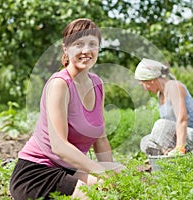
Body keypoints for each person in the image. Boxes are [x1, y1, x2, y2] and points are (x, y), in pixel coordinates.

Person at [9, 18, 124, 200]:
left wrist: (111, 172)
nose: (86, 51)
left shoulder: (97, 84)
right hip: (37, 174)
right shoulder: (60, 84)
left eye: (92, 44)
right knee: (97, 192)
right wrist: (102, 173)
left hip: (67, 170)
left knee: (122, 177)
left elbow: (100, 138)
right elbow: (59, 146)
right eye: (79, 44)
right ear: (66, 49)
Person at [135, 58, 193, 157]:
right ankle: (165, 160)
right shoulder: (160, 94)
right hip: (180, 137)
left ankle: (175, 156)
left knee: (161, 125)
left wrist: (180, 147)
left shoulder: (173, 87)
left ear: (151, 80)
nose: (145, 89)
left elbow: (182, 119)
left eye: (143, 84)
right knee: (146, 142)